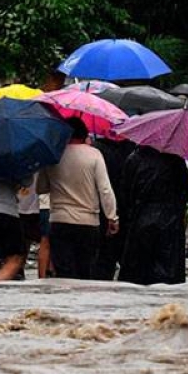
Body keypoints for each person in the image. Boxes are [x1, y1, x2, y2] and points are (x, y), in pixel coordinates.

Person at [37, 117, 118, 279]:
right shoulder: (94, 155)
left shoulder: (54, 155)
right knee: (84, 273)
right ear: (84, 134)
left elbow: (41, 188)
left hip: (59, 221)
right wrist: (112, 217)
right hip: (88, 223)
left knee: (64, 274)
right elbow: (105, 190)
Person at [118, 146, 188, 285]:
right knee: (167, 279)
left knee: (135, 277)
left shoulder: (134, 158)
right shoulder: (176, 161)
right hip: (170, 222)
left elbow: (124, 192)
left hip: (140, 219)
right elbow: (187, 189)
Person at [91, 136, 136, 280]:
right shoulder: (132, 151)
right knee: (114, 252)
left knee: (99, 253)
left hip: (98, 208)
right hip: (124, 208)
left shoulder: (97, 149)